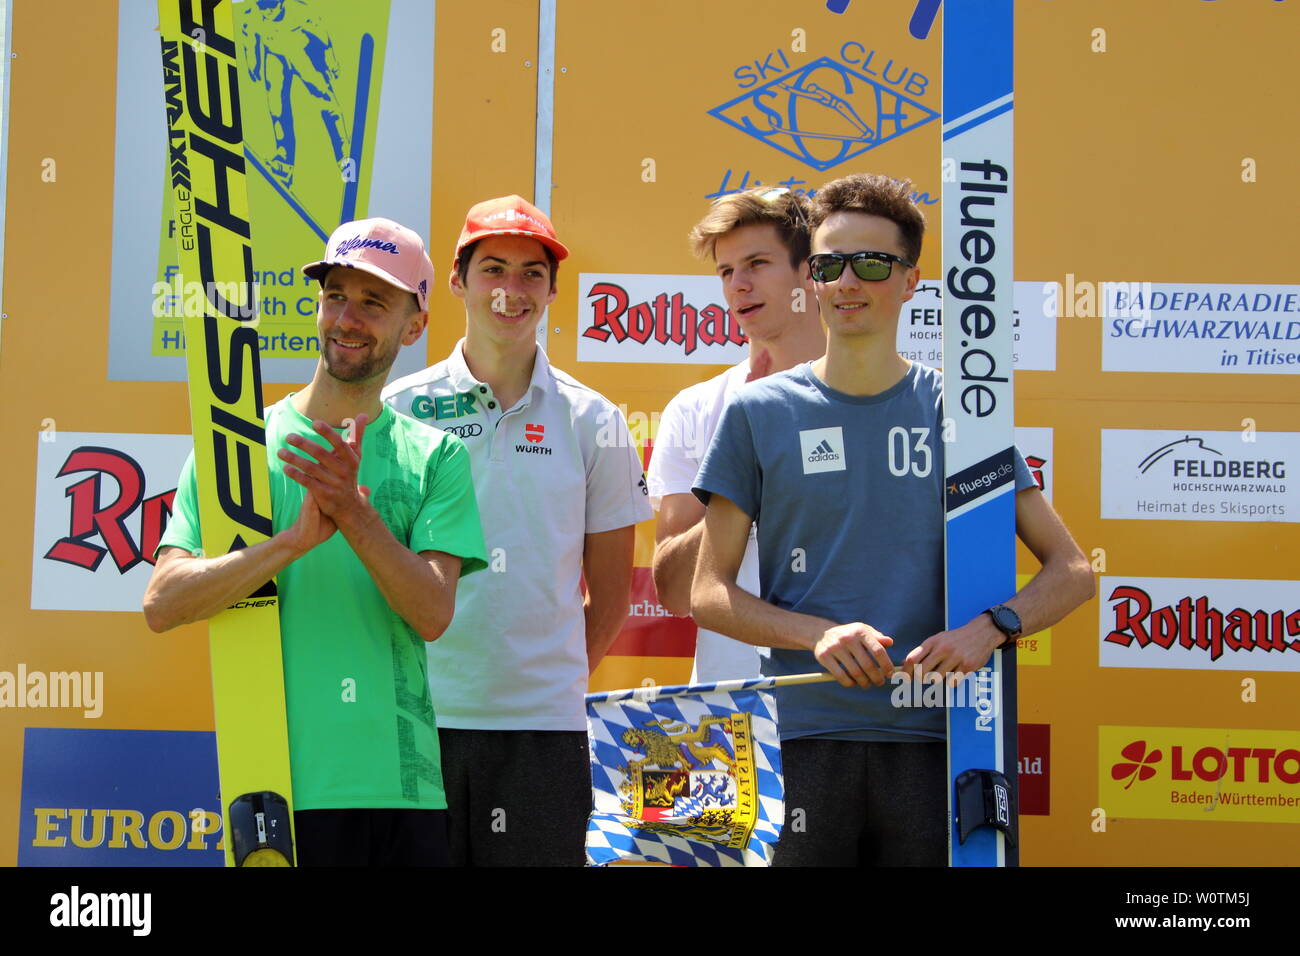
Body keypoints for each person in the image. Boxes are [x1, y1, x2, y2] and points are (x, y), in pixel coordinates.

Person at [690, 173, 1094, 866]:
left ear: (910, 281)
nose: (848, 281)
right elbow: (707, 592)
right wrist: (817, 635)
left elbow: (1073, 571)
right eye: (829, 264)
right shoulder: (759, 412)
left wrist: (988, 630)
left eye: (872, 263)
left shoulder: (961, 415)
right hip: (804, 738)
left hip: (942, 743)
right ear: (810, 279)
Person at [143, 217, 488, 867]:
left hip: (401, 792)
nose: (348, 318)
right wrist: (291, 543)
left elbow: (433, 613)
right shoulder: (236, 451)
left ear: (414, 327)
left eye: (374, 302)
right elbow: (164, 604)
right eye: (336, 296)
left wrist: (353, 516)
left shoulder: (436, 456)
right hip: (272, 782)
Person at [383, 195, 653, 866]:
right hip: (412, 722)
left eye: (532, 273)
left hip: (543, 733)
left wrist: (542, 684)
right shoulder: (398, 409)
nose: (512, 290)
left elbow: (613, 595)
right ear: (457, 282)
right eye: (493, 269)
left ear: (554, 289)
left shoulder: (596, 420)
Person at [648, 186, 824, 683]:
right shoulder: (696, 409)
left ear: (810, 270)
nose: (738, 285)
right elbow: (675, 593)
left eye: (757, 263)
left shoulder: (881, 400)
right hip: (732, 719)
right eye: (726, 271)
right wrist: (748, 483)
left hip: (851, 703)